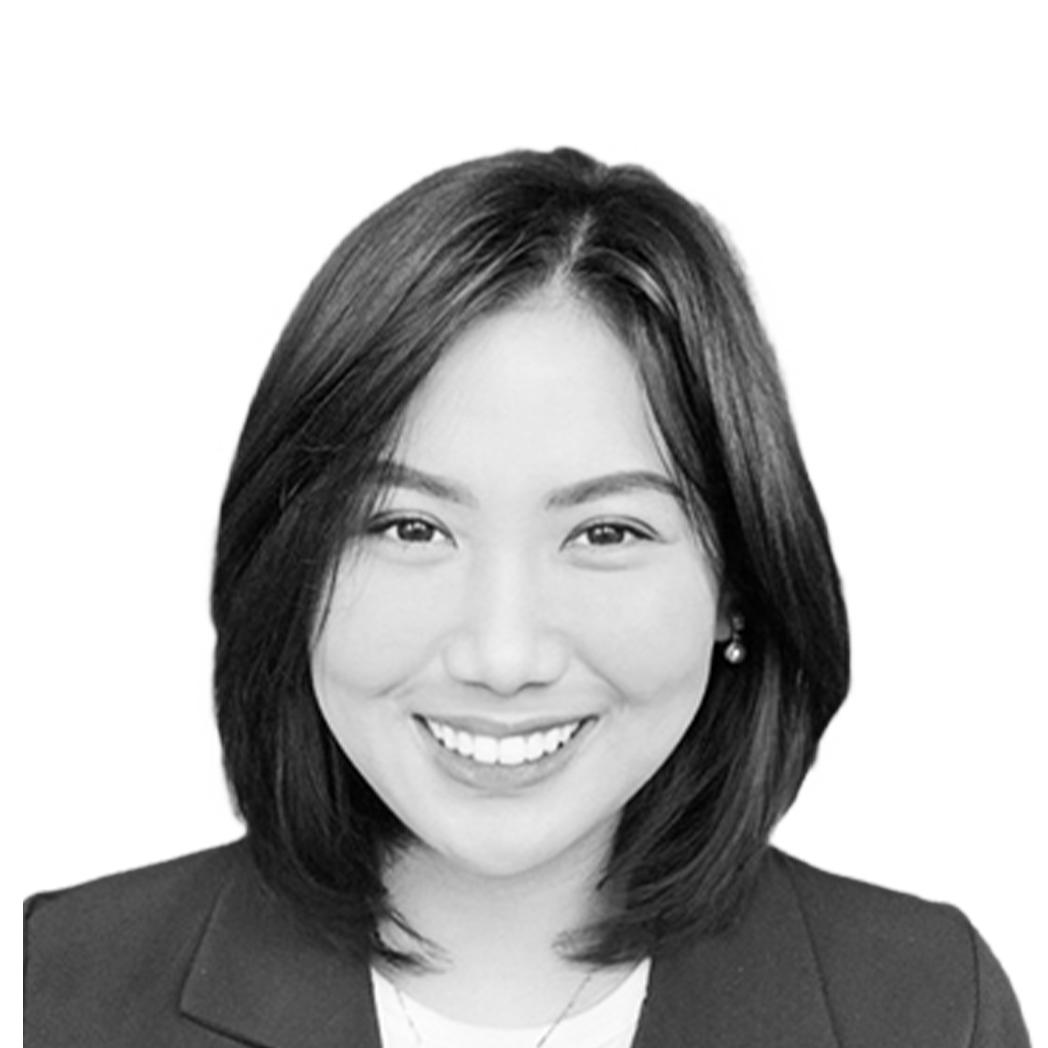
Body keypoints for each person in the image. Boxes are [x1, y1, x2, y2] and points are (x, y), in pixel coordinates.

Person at [24, 145, 1030, 1047]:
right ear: (291, 563)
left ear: (738, 585)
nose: (502, 657)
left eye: (606, 533)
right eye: (408, 527)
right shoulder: (51, 989)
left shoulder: (924, 1006)